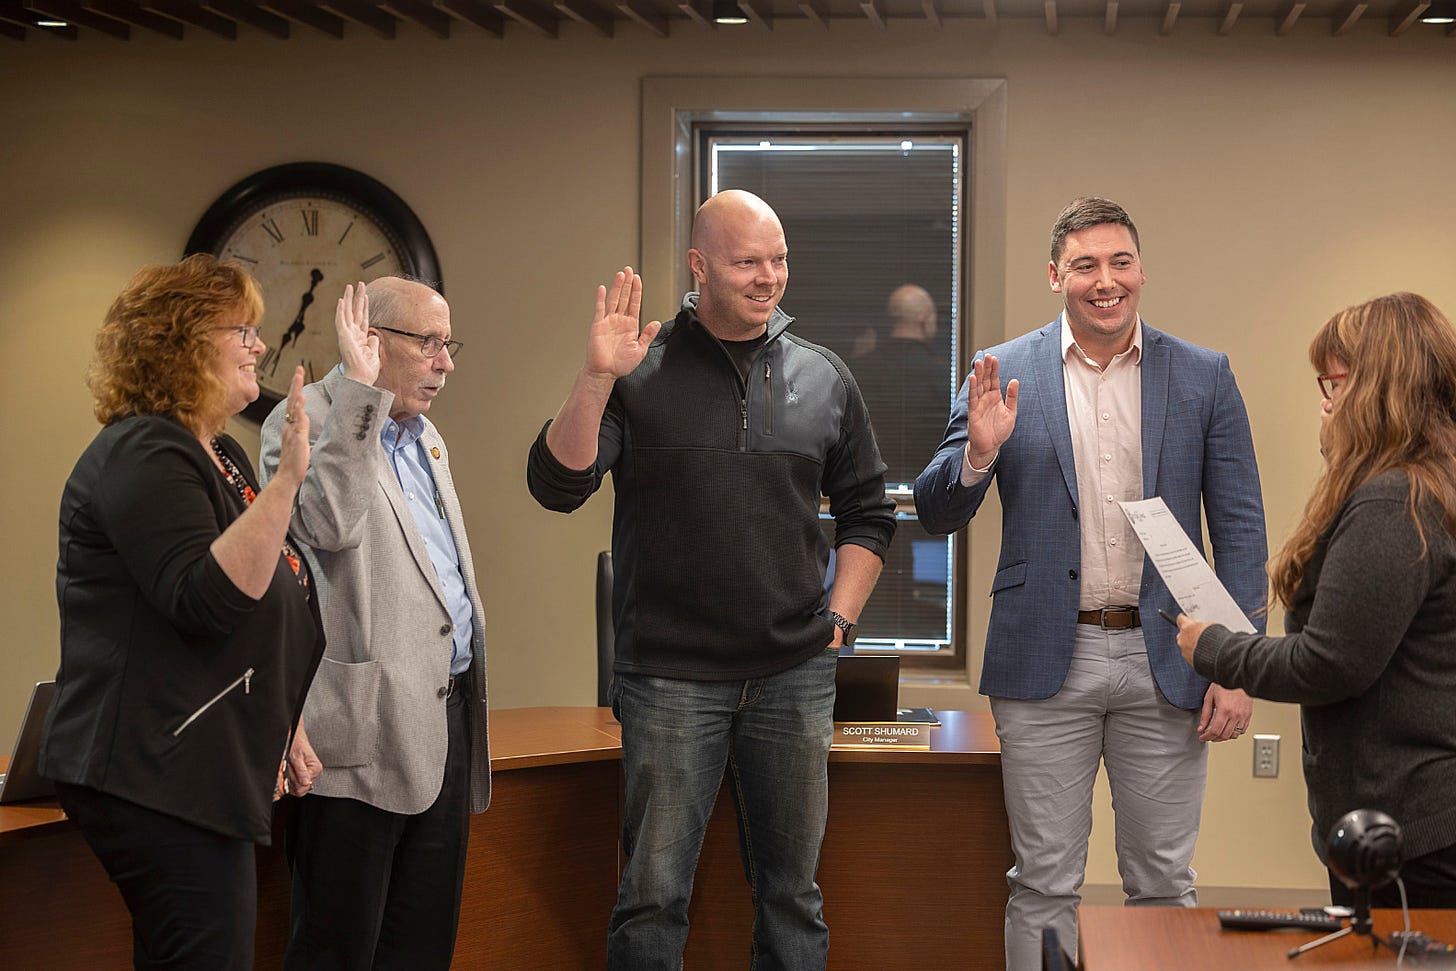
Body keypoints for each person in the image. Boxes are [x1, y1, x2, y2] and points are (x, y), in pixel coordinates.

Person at [527, 189, 896, 970]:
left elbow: (870, 512)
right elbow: (556, 485)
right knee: (653, 896)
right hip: (670, 677)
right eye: (748, 262)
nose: (770, 277)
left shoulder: (825, 377)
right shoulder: (642, 368)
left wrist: (839, 622)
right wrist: (596, 376)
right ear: (699, 265)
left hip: (794, 673)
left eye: (780, 259)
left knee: (793, 895)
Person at [913, 196, 1268, 971]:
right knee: (1041, 883)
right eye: (1085, 265)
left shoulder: (1204, 375)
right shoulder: (1002, 371)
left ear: (1141, 270)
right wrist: (976, 455)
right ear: (1054, 275)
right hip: (1045, 661)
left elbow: (1241, 532)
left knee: (1163, 882)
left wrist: (1238, 664)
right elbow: (937, 509)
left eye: (1120, 262)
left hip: (1169, 662)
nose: (1105, 281)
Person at [39, 254, 325, 970]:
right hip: (152, 770)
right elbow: (208, 601)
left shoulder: (218, 452)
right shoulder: (145, 448)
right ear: (185, 339)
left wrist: (282, 726)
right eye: (244, 330)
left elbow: (264, 589)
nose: (260, 346)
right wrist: (289, 478)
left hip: (199, 764)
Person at [1177, 292, 1456, 909]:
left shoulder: (1394, 502)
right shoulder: (1428, 482)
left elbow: (1331, 664)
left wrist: (1216, 651)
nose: (1324, 402)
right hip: (1398, 823)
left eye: (1332, 384)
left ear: (1378, 387)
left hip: (1414, 832)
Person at [260, 277, 490, 969]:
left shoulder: (427, 435)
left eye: (448, 344)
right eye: (428, 343)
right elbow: (328, 524)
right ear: (369, 338)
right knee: (339, 950)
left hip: (442, 719)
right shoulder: (300, 418)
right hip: (355, 736)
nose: (445, 362)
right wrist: (360, 393)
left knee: (421, 948)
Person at [852, 283, 948, 484]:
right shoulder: (942, 373)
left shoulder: (861, 367)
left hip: (871, 480)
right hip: (928, 481)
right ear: (923, 316)